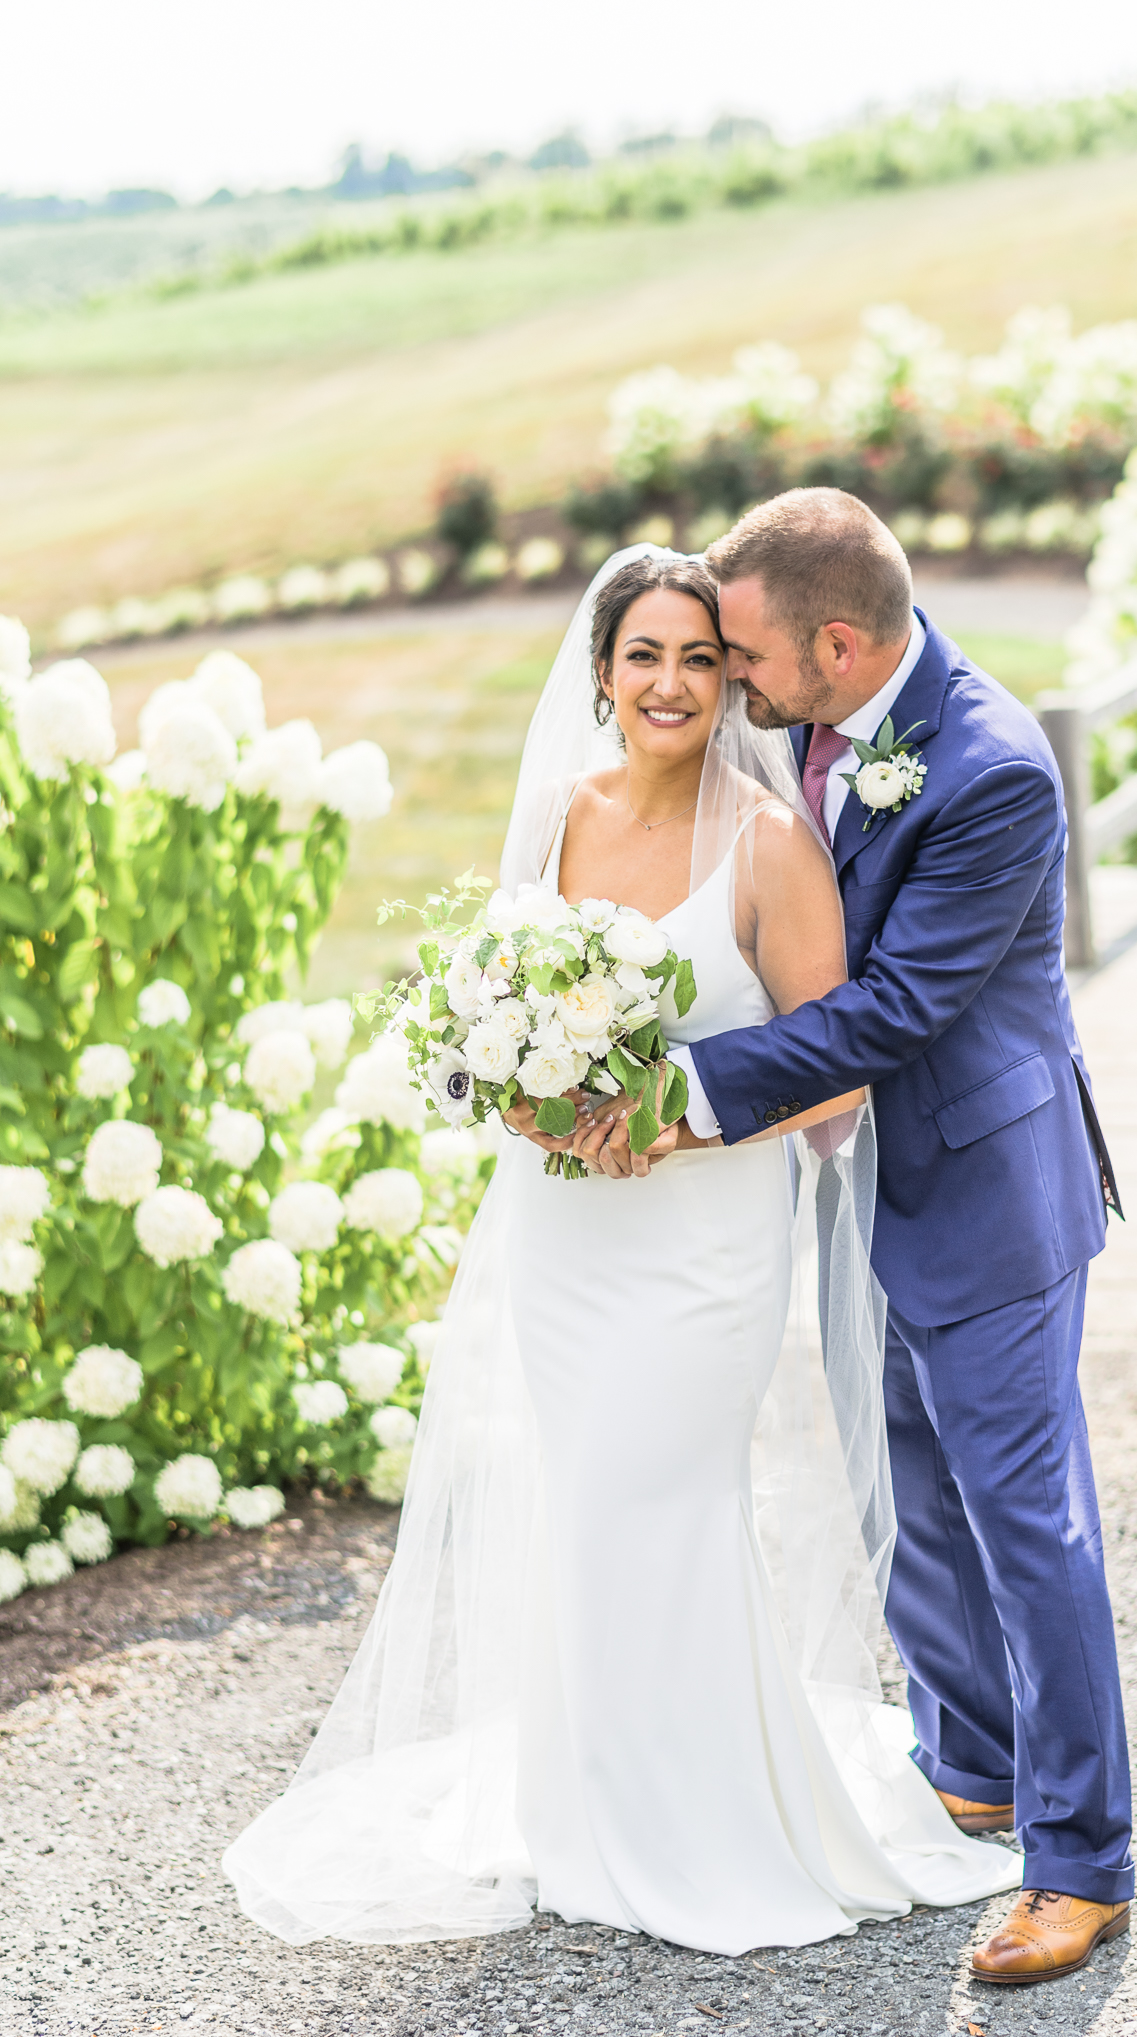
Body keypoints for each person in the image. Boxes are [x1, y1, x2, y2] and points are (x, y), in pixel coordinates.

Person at [222, 547, 1021, 1956]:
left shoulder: (768, 845)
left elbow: (835, 1086)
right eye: (643, 655)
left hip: (702, 1246)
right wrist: (525, 1080)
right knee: (584, 1497)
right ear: (600, 672)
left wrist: (669, 1116)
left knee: (664, 1494)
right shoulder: (550, 817)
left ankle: (700, 1817)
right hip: (564, 1237)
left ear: (733, 681)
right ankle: (585, 1800)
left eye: (701, 659)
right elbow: (473, 1026)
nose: (670, 684)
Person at [576, 491, 1134, 1987]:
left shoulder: (992, 772)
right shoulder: (803, 720)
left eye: (745, 655)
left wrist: (674, 1092)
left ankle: (1081, 1863)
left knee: (1028, 1523)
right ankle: (973, 1770)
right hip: (849, 1187)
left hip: (984, 1188)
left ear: (835, 642)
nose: (727, 682)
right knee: (908, 1490)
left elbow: (890, 1013)